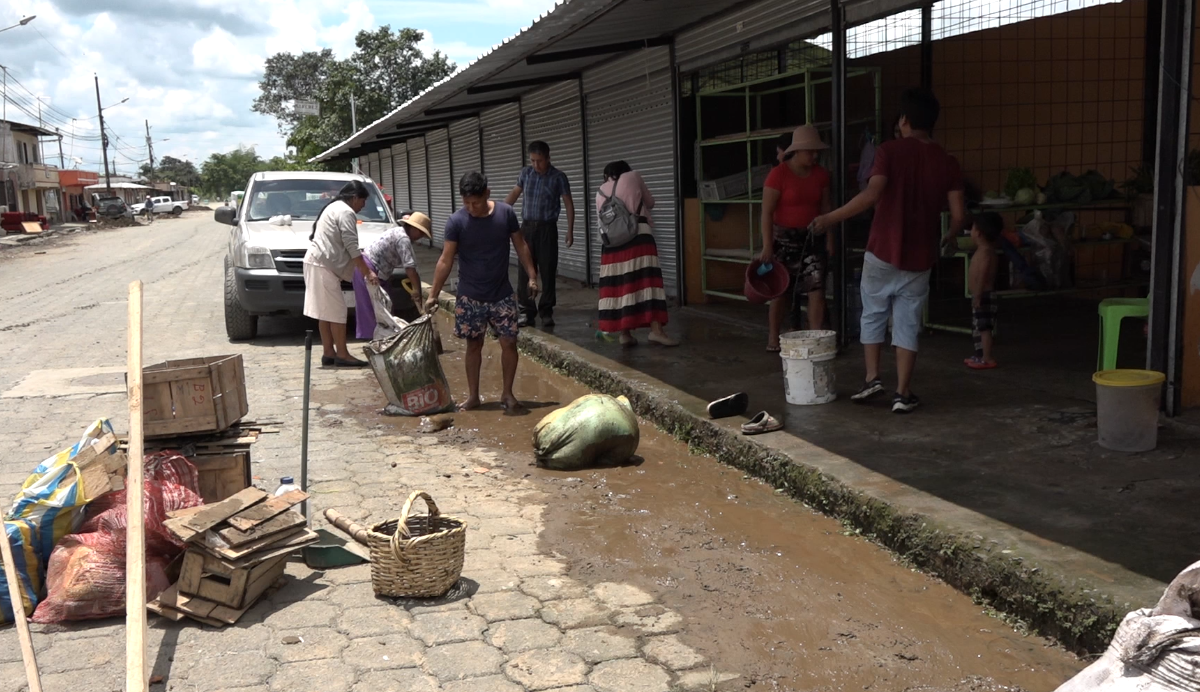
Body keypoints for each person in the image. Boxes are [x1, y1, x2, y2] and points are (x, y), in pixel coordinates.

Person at [812, 87, 965, 414]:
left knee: (873, 313)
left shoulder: (889, 151)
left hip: (882, 249)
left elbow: (871, 195)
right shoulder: (947, 161)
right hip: (920, 257)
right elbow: (959, 215)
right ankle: (902, 393)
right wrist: (950, 236)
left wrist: (829, 218)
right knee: (907, 323)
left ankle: (872, 379)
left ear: (904, 120)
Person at [427, 172, 540, 412]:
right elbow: (445, 260)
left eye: (475, 202)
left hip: (502, 293)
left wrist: (532, 275)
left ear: (487, 194)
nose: (471, 208)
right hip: (470, 296)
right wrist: (433, 293)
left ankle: (507, 393)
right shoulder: (456, 222)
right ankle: (473, 396)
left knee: (509, 343)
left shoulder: (505, 214)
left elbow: (521, 245)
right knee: (473, 345)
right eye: (466, 203)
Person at [761, 125, 833, 352]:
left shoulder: (821, 175)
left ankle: (815, 337)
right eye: (810, 151)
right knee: (780, 291)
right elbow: (766, 213)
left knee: (816, 289)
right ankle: (773, 337)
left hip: (812, 237)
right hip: (784, 240)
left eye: (816, 151)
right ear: (797, 151)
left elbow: (826, 209)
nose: (814, 155)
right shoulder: (778, 174)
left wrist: (830, 238)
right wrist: (767, 246)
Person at [594, 161, 678, 347]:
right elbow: (650, 202)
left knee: (621, 285)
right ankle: (656, 331)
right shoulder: (634, 176)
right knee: (648, 282)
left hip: (612, 245)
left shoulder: (600, 191)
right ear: (626, 171)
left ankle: (625, 334)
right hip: (639, 237)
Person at [304, 180, 377, 368]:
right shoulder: (346, 212)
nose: (363, 205)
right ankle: (342, 354)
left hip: (317, 262)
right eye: (363, 201)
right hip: (322, 265)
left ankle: (329, 352)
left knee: (325, 312)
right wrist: (367, 272)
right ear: (354, 198)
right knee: (337, 312)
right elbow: (352, 246)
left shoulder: (334, 207)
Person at [504, 140, 574, 328]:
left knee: (548, 270)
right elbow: (514, 194)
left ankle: (546, 311)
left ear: (548, 158)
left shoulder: (558, 177)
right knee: (524, 270)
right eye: (533, 160)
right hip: (526, 228)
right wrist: (499, 212)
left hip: (547, 229)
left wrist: (570, 230)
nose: (536, 165)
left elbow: (568, 204)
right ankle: (526, 311)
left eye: (540, 160)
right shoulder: (525, 174)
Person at [351, 212, 433, 338]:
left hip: (378, 272)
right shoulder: (403, 238)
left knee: (385, 309)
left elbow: (412, 267)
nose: (420, 237)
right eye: (421, 233)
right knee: (374, 311)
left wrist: (417, 291)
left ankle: (382, 339)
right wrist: (417, 291)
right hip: (368, 270)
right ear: (414, 229)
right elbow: (410, 269)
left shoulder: (400, 233)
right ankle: (375, 342)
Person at [965, 212, 1002, 370]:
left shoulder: (986, 252)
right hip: (979, 295)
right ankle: (980, 354)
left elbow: (983, 275)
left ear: (979, 233)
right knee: (978, 327)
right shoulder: (982, 250)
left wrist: (978, 294)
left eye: (972, 228)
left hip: (984, 295)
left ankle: (987, 357)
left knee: (984, 328)